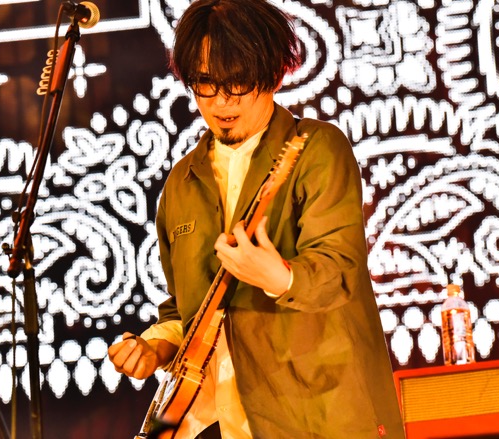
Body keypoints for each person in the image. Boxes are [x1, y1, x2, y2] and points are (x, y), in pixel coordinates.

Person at [108, 0, 405, 437]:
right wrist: (152, 348)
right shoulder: (181, 183)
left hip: (319, 418)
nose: (222, 102)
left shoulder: (316, 148)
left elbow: (339, 271)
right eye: (205, 84)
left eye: (238, 82)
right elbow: (184, 311)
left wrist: (278, 276)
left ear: (272, 75)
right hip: (232, 423)